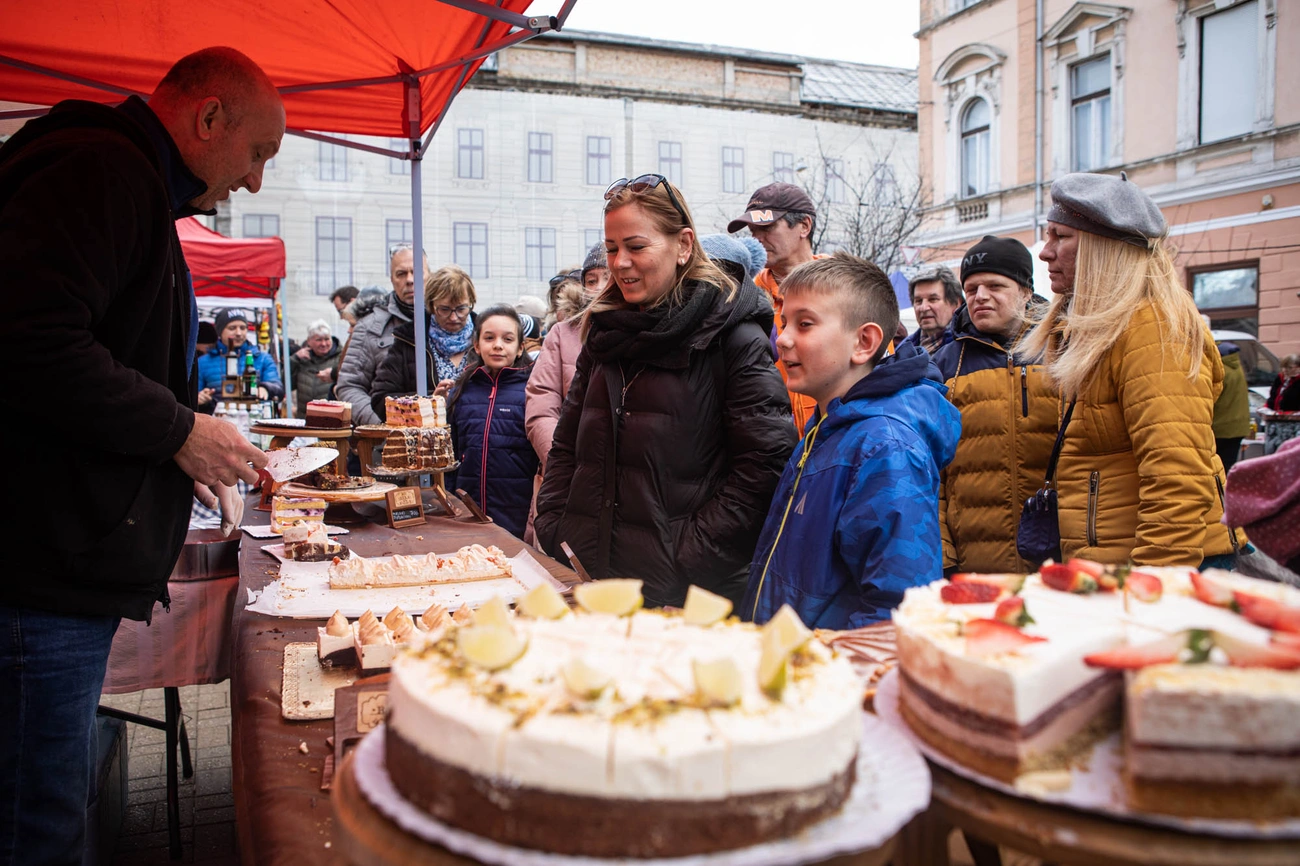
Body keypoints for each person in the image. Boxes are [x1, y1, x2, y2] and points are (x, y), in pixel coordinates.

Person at [0, 46, 277, 863]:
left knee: (53, 798)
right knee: (34, 823)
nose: (255, 180)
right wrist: (182, 432)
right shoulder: (102, 169)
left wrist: (182, 436)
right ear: (208, 118)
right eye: (258, 152)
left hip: (53, 562)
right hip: (37, 570)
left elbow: (96, 349)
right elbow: (28, 342)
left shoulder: (124, 181)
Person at [535, 173, 796, 608]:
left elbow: (765, 466)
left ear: (683, 245)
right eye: (612, 248)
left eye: (636, 247)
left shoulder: (733, 336)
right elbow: (567, 445)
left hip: (684, 597)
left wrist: (687, 554)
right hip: (589, 578)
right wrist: (556, 525)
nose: (620, 263)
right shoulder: (602, 335)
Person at [1023, 172, 1241, 568]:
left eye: (1060, 236)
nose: (1045, 252)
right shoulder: (1101, 331)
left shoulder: (1153, 330)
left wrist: (1152, 587)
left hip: (1161, 568)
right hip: (1118, 565)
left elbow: (1178, 479)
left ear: (1102, 249)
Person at [741, 254, 961, 628]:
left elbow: (897, 610)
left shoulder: (884, 446)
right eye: (784, 324)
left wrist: (824, 671)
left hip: (828, 674)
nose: (784, 339)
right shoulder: (827, 425)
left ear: (864, 341)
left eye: (805, 324)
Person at [933, 236, 1059, 574]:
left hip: (1058, 556)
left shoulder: (1064, 351)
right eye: (971, 288)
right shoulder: (943, 367)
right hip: (975, 561)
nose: (981, 296)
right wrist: (944, 556)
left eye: (995, 285)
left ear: (1025, 291)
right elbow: (934, 472)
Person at [728, 182, 822, 436]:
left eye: (767, 228)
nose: (757, 238)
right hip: (772, 448)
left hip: (838, 444)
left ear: (804, 226)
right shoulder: (744, 298)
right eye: (753, 230)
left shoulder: (849, 287)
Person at [444, 306, 539, 538]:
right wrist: (450, 500)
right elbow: (450, 454)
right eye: (489, 338)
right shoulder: (462, 391)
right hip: (467, 510)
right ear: (477, 345)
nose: (498, 345)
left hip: (517, 511)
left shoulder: (533, 391)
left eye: (507, 339)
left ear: (520, 349)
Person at [335, 244, 430, 426]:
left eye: (416, 272)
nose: (410, 280)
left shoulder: (447, 322)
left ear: (429, 275)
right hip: (388, 442)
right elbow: (349, 386)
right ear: (392, 279)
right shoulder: (370, 327)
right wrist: (382, 425)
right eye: (401, 274)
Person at [370, 265, 478, 413]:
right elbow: (381, 400)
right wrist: (429, 402)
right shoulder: (409, 340)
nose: (454, 317)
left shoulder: (487, 338)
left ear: (471, 303)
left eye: (461, 309)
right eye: (444, 309)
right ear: (432, 306)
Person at [196, 307, 285, 402]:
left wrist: (266, 388)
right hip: (217, 415)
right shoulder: (203, 362)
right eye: (232, 328)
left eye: (242, 328)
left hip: (254, 414)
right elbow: (193, 394)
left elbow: (278, 388)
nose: (238, 333)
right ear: (220, 331)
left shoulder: (262, 359)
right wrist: (200, 397)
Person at [901, 266, 963, 356]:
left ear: (956, 303)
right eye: (918, 301)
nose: (923, 308)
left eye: (933, 299)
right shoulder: (903, 349)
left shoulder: (967, 347)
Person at [1212, 338, 1252, 472]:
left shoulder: (1221, 371)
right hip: (1238, 427)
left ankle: (1221, 493)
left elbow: (1212, 398)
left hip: (1221, 427)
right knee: (1228, 465)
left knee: (1217, 468)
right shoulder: (1237, 368)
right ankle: (1228, 491)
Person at [291, 319, 341, 417]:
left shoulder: (340, 358)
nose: (323, 344)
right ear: (309, 341)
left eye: (327, 339)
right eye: (319, 340)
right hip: (305, 419)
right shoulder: (301, 359)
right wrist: (294, 359)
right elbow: (287, 384)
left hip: (331, 418)